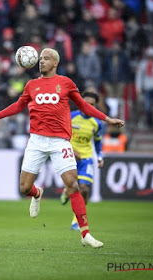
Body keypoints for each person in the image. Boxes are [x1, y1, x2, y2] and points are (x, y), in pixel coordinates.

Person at [0, 48, 125, 248]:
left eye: (46, 58)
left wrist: (107, 119)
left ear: (55, 63)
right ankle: (37, 194)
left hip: (59, 142)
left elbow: (84, 106)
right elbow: (17, 106)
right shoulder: (31, 85)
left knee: (73, 185)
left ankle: (85, 233)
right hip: (36, 141)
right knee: (24, 188)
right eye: (40, 59)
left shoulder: (66, 83)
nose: (41, 61)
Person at [59, 91, 104, 231]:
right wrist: (72, 150)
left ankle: (76, 220)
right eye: (86, 103)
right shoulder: (71, 117)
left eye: (92, 105)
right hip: (69, 156)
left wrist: (100, 157)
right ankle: (66, 191)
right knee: (73, 186)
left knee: (83, 188)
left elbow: (97, 142)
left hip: (86, 159)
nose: (88, 106)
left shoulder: (96, 123)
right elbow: (60, 136)